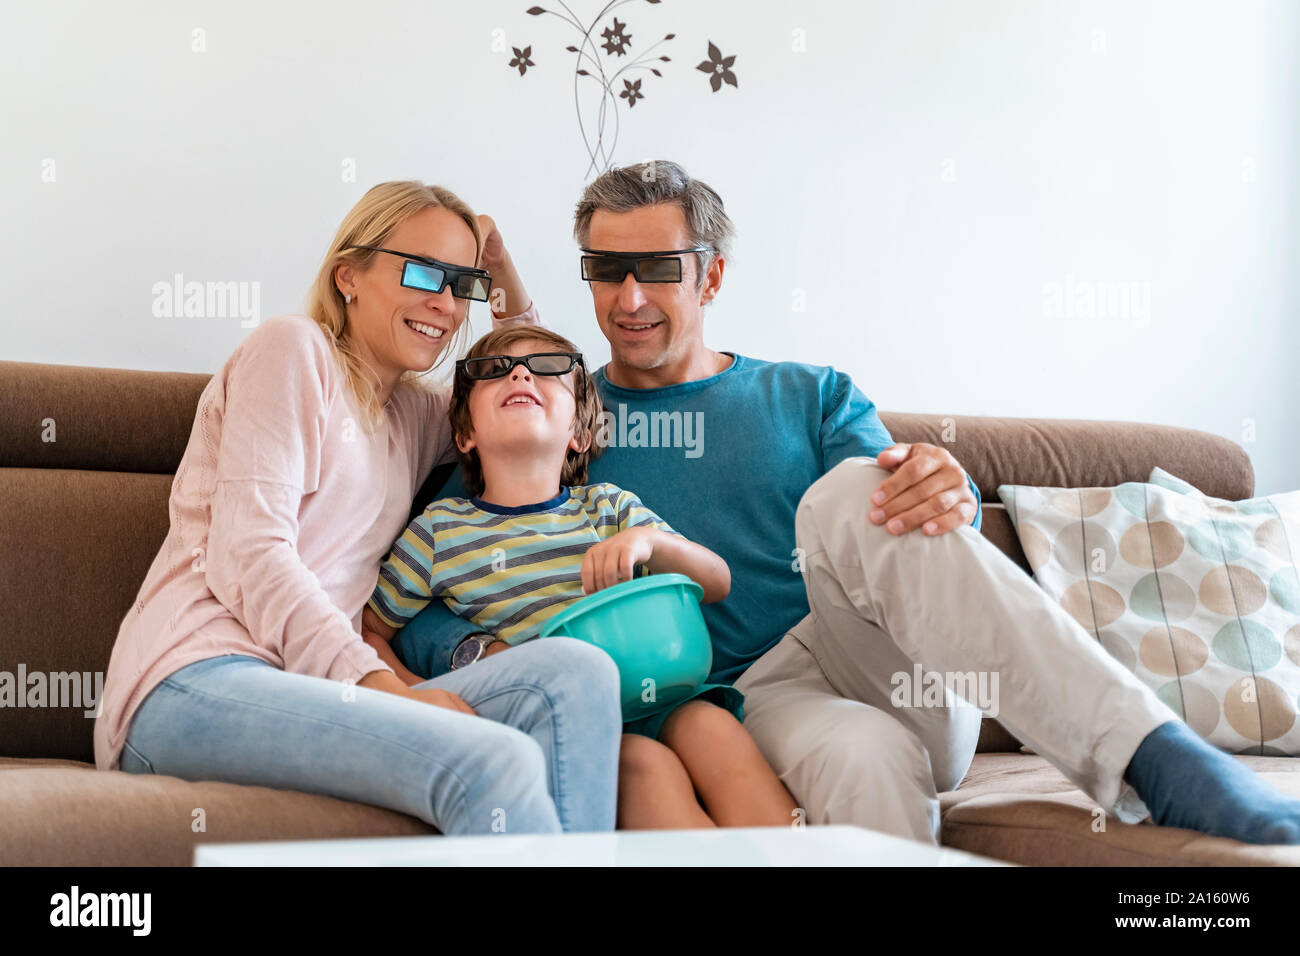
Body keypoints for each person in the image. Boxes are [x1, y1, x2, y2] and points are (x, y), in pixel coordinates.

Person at [394, 160, 1300, 846]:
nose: (629, 299)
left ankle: (1153, 754)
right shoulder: (565, 416)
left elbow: (894, 523)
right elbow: (449, 545)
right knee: (865, 761)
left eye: (660, 269)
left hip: (877, 650)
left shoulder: (811, 393)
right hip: (753, 700)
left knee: (859, 489)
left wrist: (941, 480)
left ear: (710, 277)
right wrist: (474, 648)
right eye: (607, 271)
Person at [94, 180, 623, 836]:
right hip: (196, 680)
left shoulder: (418, 414)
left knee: (577, 674)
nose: (447, 304)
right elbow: (248, 553)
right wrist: (377, 685)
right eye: (426, 273)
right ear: (349, 275)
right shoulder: (293, 351)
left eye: (462, 284)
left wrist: (503, 271)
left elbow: (526, 375)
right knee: (495, 763)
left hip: (321, 689)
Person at [359, 324, 799, 828]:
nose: (520, 372)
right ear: (465, 434)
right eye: (494, 370)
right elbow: (368, 629)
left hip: (658, 691)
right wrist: (419, 693)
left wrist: (649, 542)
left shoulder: (608, 508)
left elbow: (717, 580)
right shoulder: (439, 531)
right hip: (570, 722)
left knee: (711, 727)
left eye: (546, 367)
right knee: (642, 766)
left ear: (580, 434)